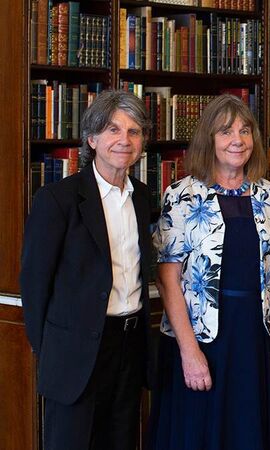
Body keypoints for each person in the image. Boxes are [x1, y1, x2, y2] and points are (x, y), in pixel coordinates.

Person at [148, 94, 270, 450]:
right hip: (201, 340)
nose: (237, 140)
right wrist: (189, 351)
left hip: (255, 340)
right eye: (226, 131)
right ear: (209, 140)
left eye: (245, 131)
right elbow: (168, 278)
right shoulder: (181, 195)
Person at [20, 90, 154, 450]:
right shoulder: (57, 199)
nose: (124, 141)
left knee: (121, 440)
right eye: (113, 130)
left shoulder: (143, 197)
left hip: (128, 345)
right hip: (75, 352)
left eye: (134, 131)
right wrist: (53, 350)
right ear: (92, 139)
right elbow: (34, 287)